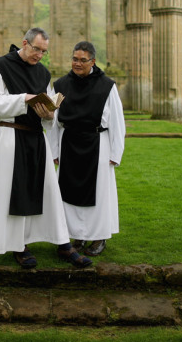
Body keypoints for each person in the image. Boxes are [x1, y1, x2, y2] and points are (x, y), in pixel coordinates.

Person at [0, 28, 92, 269]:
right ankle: (18, 245)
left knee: (48, 191)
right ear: (24, 43)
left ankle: (63, 243)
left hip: (36, 138)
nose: (39, 55)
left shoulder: (43, 73)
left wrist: (49, 113)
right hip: (11, 137)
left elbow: (50, 110)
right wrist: (24, 99)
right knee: (15, 190)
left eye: (44, 51)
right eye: (36, 49)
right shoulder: (1, 66)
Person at [51, 41, 126, 257]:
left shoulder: (107, 86)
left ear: (92, 61)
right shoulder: (60, 85)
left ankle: (99, 236)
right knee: (68, 194)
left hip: (97, 144)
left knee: (99, 193)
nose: (77, 63)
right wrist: (54, 151)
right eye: (75, 59)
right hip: (69, 143)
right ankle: (77, 236)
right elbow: (54, 121)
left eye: (83, 60)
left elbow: (118, 122)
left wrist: (115, 153)